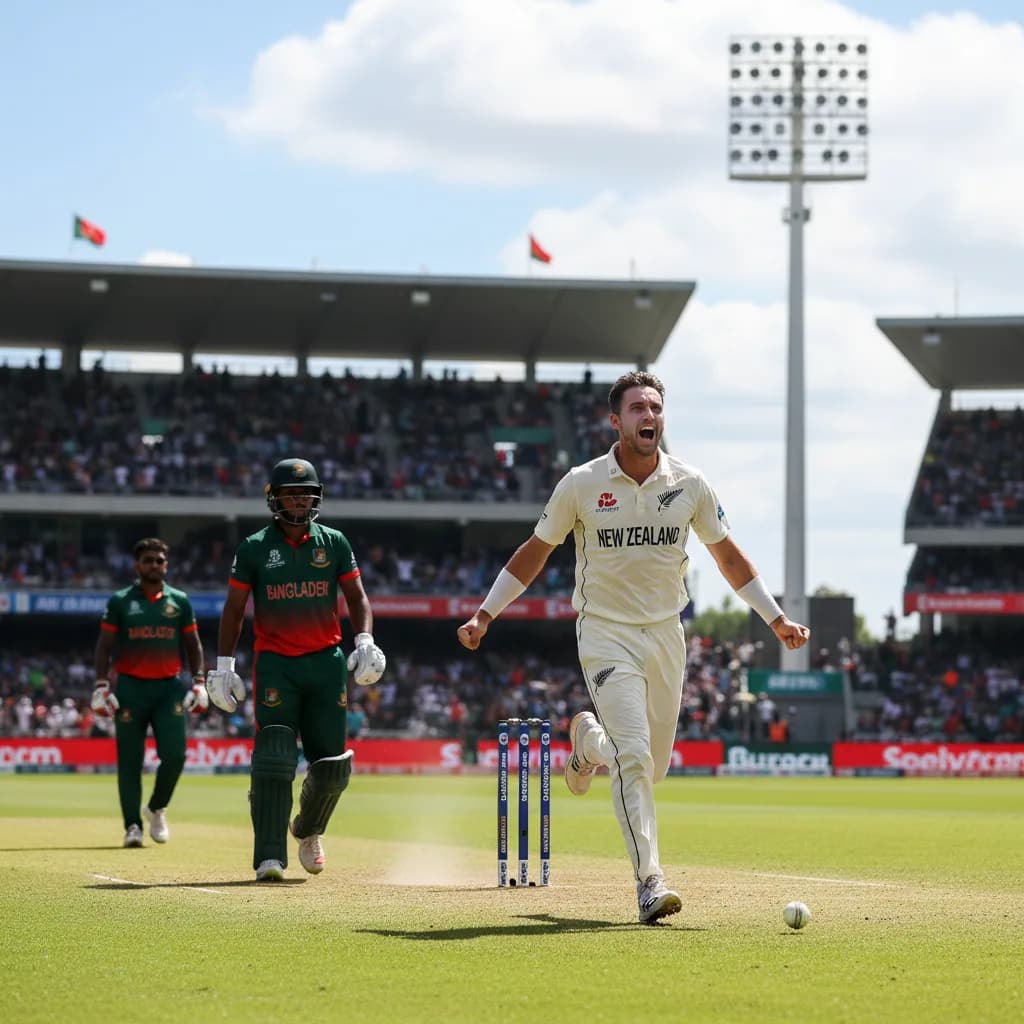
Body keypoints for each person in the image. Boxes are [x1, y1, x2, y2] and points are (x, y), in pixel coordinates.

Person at [457, 370, 809, 924]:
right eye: (638, 408)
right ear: (615, 420)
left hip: (667, 632)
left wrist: (776, 617)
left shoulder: (689, 483)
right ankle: (650, 882)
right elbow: (535, 551)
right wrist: (485, 613)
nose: (650, 416)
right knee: (636, 758)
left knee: (651, 766)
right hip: (604, 631)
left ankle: (586, 744)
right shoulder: (581, 482)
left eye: (656, 407)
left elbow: (729, 557)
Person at [204, 457, 385, 882]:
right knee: (274, 755)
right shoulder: (253, 548)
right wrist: (224, 667)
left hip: (326, 663)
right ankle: (269, 855)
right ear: (274, 498)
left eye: (307, 494)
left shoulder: (334, 542)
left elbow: (357, 597)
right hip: (276, 665)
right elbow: (234, 611)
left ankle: (308, 831)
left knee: (332, 766)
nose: (301, 502)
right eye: (292, 494)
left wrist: (364, 639)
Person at [91, 537, 207, 848]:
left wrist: (199, 681)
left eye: (159, 560)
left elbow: (193, 644)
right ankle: (132, 826)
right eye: (148, 560)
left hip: (169, 688)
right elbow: (105, 646)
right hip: (129, 688)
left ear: (166, 565)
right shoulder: (120, 601)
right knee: (129, 762)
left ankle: (156, 807)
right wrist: (102, 683)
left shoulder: (179, 601)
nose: (154, 565)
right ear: (137, 565)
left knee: (176, 755)